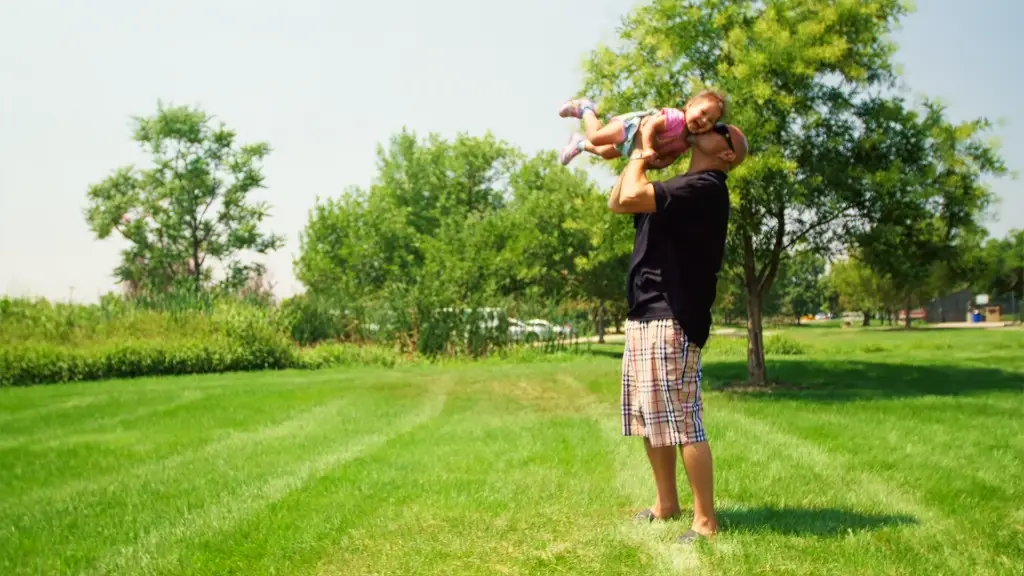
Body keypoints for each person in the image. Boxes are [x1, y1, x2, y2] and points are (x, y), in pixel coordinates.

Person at [608, 115, 748, 544]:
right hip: (646, 311)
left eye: (718, 128)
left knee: (684, 421)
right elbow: (619, 200)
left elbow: (629, 194)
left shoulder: (705, 188)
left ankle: (705, 521)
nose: (703, 125)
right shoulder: (676, 188)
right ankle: (666, 503)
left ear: (726, 154)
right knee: (653, 419)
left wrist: (639, 151)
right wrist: (645, 156)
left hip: (674, 314)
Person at [556, 90, 726, 166]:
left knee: (605, 153)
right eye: (702, 112)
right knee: (596, 137)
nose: (703, 120)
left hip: (635, 145)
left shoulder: (687, 142)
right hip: (632, 127)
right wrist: (649, 148)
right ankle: (585, 108)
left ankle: (578, 143)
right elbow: (651, 125)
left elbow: (672, 156)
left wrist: (659, 163)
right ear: (690, 105)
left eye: (710, 121)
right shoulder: (676, 119)